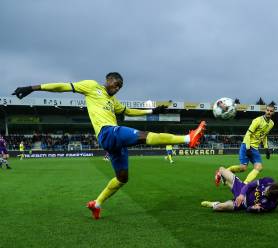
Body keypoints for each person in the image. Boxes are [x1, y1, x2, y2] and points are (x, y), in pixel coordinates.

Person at [12, 72, 206, 219]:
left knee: (122, 178)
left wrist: (152, 110)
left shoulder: (113, 101)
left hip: (113, 141)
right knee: (143, 135)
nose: (118, 87)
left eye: (120, 86)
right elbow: (62, 87)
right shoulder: (91, 86)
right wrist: (32, 87)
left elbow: (129, 111)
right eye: (116, 83)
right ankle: (188, 139)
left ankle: (96, 204)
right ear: (108, 79)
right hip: (107, 132)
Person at [226, 104, 275, 183]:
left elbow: (265, 135)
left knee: (259, 167)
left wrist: (266, 148)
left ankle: (245, 185)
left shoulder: (271, 124)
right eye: (268, 110)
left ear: (273, 112)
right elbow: (248, 134)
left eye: (271, 111)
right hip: (247, 145)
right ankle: (225, 172)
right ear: (265, 110)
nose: (269, 112)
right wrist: (248, 148)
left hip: (255, 148)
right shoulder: (257, 120)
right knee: (243, 168)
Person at [201, 167, 278, 213]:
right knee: (222, 170)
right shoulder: (268, 181)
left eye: (266, 193)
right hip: (242, 189)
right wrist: (241, 194)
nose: (265, 190)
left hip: (241, 204)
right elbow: (249, 185)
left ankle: (214, 203)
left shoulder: (271, 204)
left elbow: (248, 210)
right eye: (267, 189)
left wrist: (253, 208)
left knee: (217, 208)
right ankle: (224, 179)